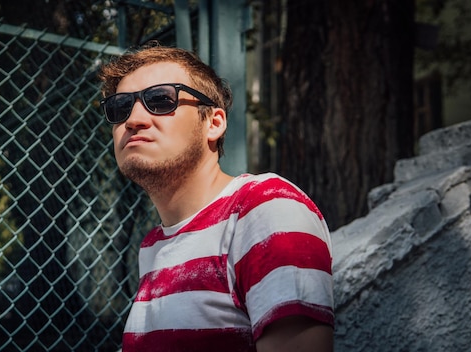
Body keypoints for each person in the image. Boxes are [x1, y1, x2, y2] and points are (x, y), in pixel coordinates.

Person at [98, 43, 334, 352]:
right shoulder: (154, 246)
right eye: (120, 107)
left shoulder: (264, 207)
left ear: (214, 123)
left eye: (160, 100)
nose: (133, 119)